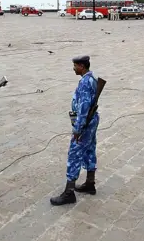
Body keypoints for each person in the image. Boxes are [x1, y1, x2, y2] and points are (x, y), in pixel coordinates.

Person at [50, 55, 100, 206]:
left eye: (75, 66)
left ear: (82, 67)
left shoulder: (85, 82)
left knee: (74, 154)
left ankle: (69, 193)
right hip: (91, 121)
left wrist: (78, 129)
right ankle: (90, 183)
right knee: (90, 150)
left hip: (84, 123)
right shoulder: (92, 79)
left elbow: (84, 108)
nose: (73, 68)